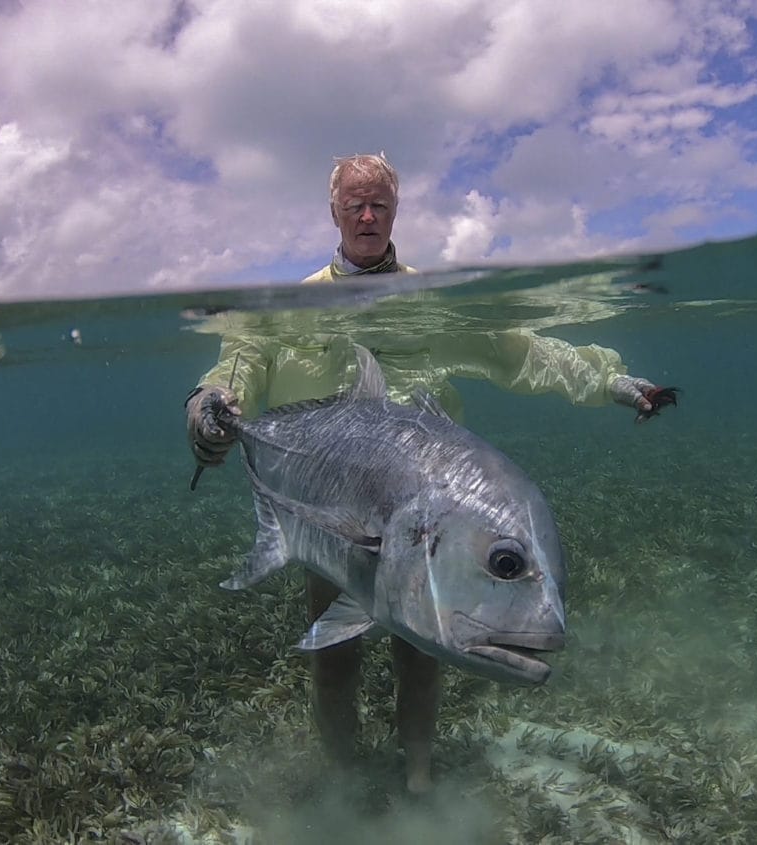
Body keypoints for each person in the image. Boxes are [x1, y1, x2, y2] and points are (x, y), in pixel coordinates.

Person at [185, 153, 668, 794]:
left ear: (395, 211)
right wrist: (205, 406)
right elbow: (240, 365)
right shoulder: (293, 304)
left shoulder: (432, 302)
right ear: (333, 211)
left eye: (379, 203)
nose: (367, 214)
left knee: (421, 654)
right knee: (334, 655)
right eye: (355, 203)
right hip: (338, 504)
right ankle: (345, 781)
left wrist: (611, 379)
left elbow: (522, 353)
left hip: (431, 511)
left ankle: (417, 778)